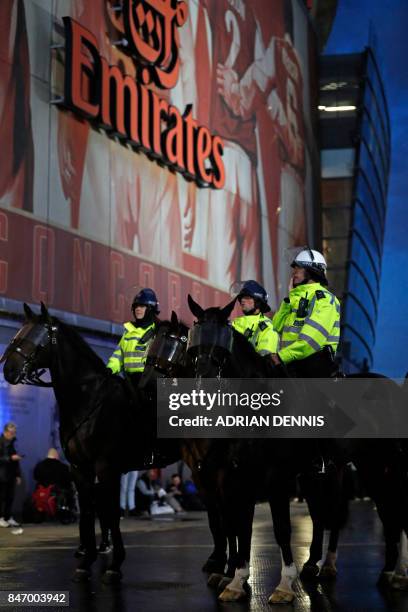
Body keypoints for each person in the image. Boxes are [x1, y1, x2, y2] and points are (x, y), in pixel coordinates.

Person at [271, 248, 340, 377]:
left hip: (314, 370)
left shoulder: (324, 299)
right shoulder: (295, 299)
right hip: (292, 366)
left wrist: (280, 357)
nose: (294, 273)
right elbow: (275, 327)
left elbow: (310, 341)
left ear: (311, 272)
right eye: (294, 268)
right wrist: (289, 299)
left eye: (298, 268)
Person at [107, 288, 160, 385]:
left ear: (150, 308)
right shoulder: (128, 331)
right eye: (136, 306)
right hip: (129, 381)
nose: (138, 309)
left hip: (149, 383)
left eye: (142, 306)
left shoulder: (158, 332)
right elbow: (118, 356)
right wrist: (109, 369)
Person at [232, 281, 279, 357]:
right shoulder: (235, 323)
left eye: (247, 297)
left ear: (258, 302)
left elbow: (265, 363)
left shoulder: (267, 328)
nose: (242, 301)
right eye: (241, 298)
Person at [0, 422, 22, 527]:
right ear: (5, 432)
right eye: (11, 432)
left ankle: (8, 517)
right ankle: (1, 518)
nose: (13, 434)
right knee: (1, 497)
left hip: (11, 474)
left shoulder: (13, 442)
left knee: (10, 497)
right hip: (1, 474)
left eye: (14, 432)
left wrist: (18, 475)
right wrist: (10, 458)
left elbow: (15, 461)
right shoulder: (0, 442)